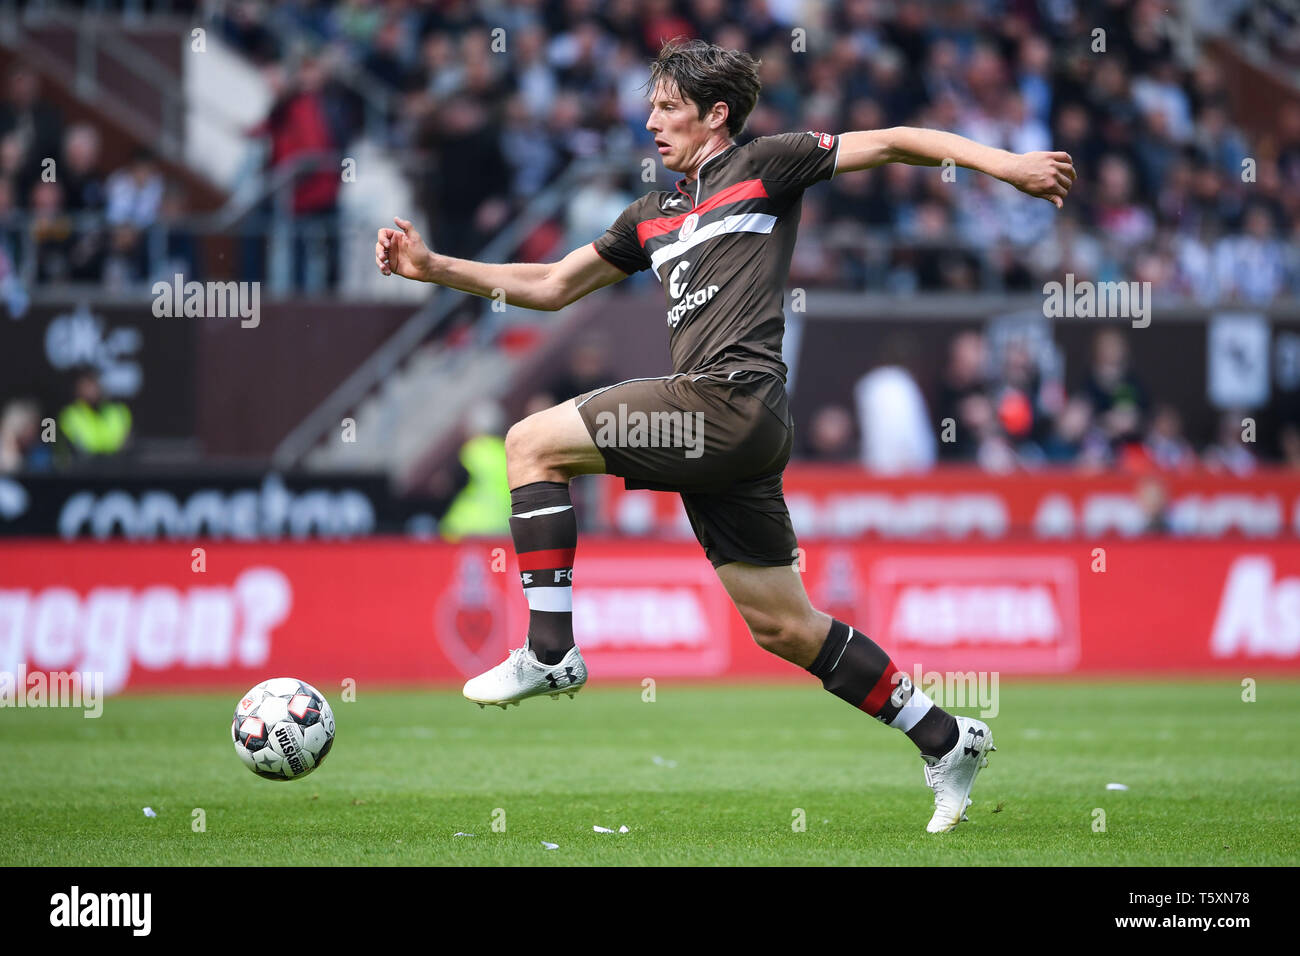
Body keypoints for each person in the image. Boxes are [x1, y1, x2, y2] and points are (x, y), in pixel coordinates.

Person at [375, 39, 1075, 832]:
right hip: (730, 436)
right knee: (784, 626)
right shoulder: (653, 216)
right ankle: (946, 738)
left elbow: (896, 142)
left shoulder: (769, 163)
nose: (650, 122)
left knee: (532, 443)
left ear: (716, 115)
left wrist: (1008, 165)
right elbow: (549, 284)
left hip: (728, 401)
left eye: (667, 108)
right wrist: (435, 268)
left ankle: (548, 651)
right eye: (650, 107)